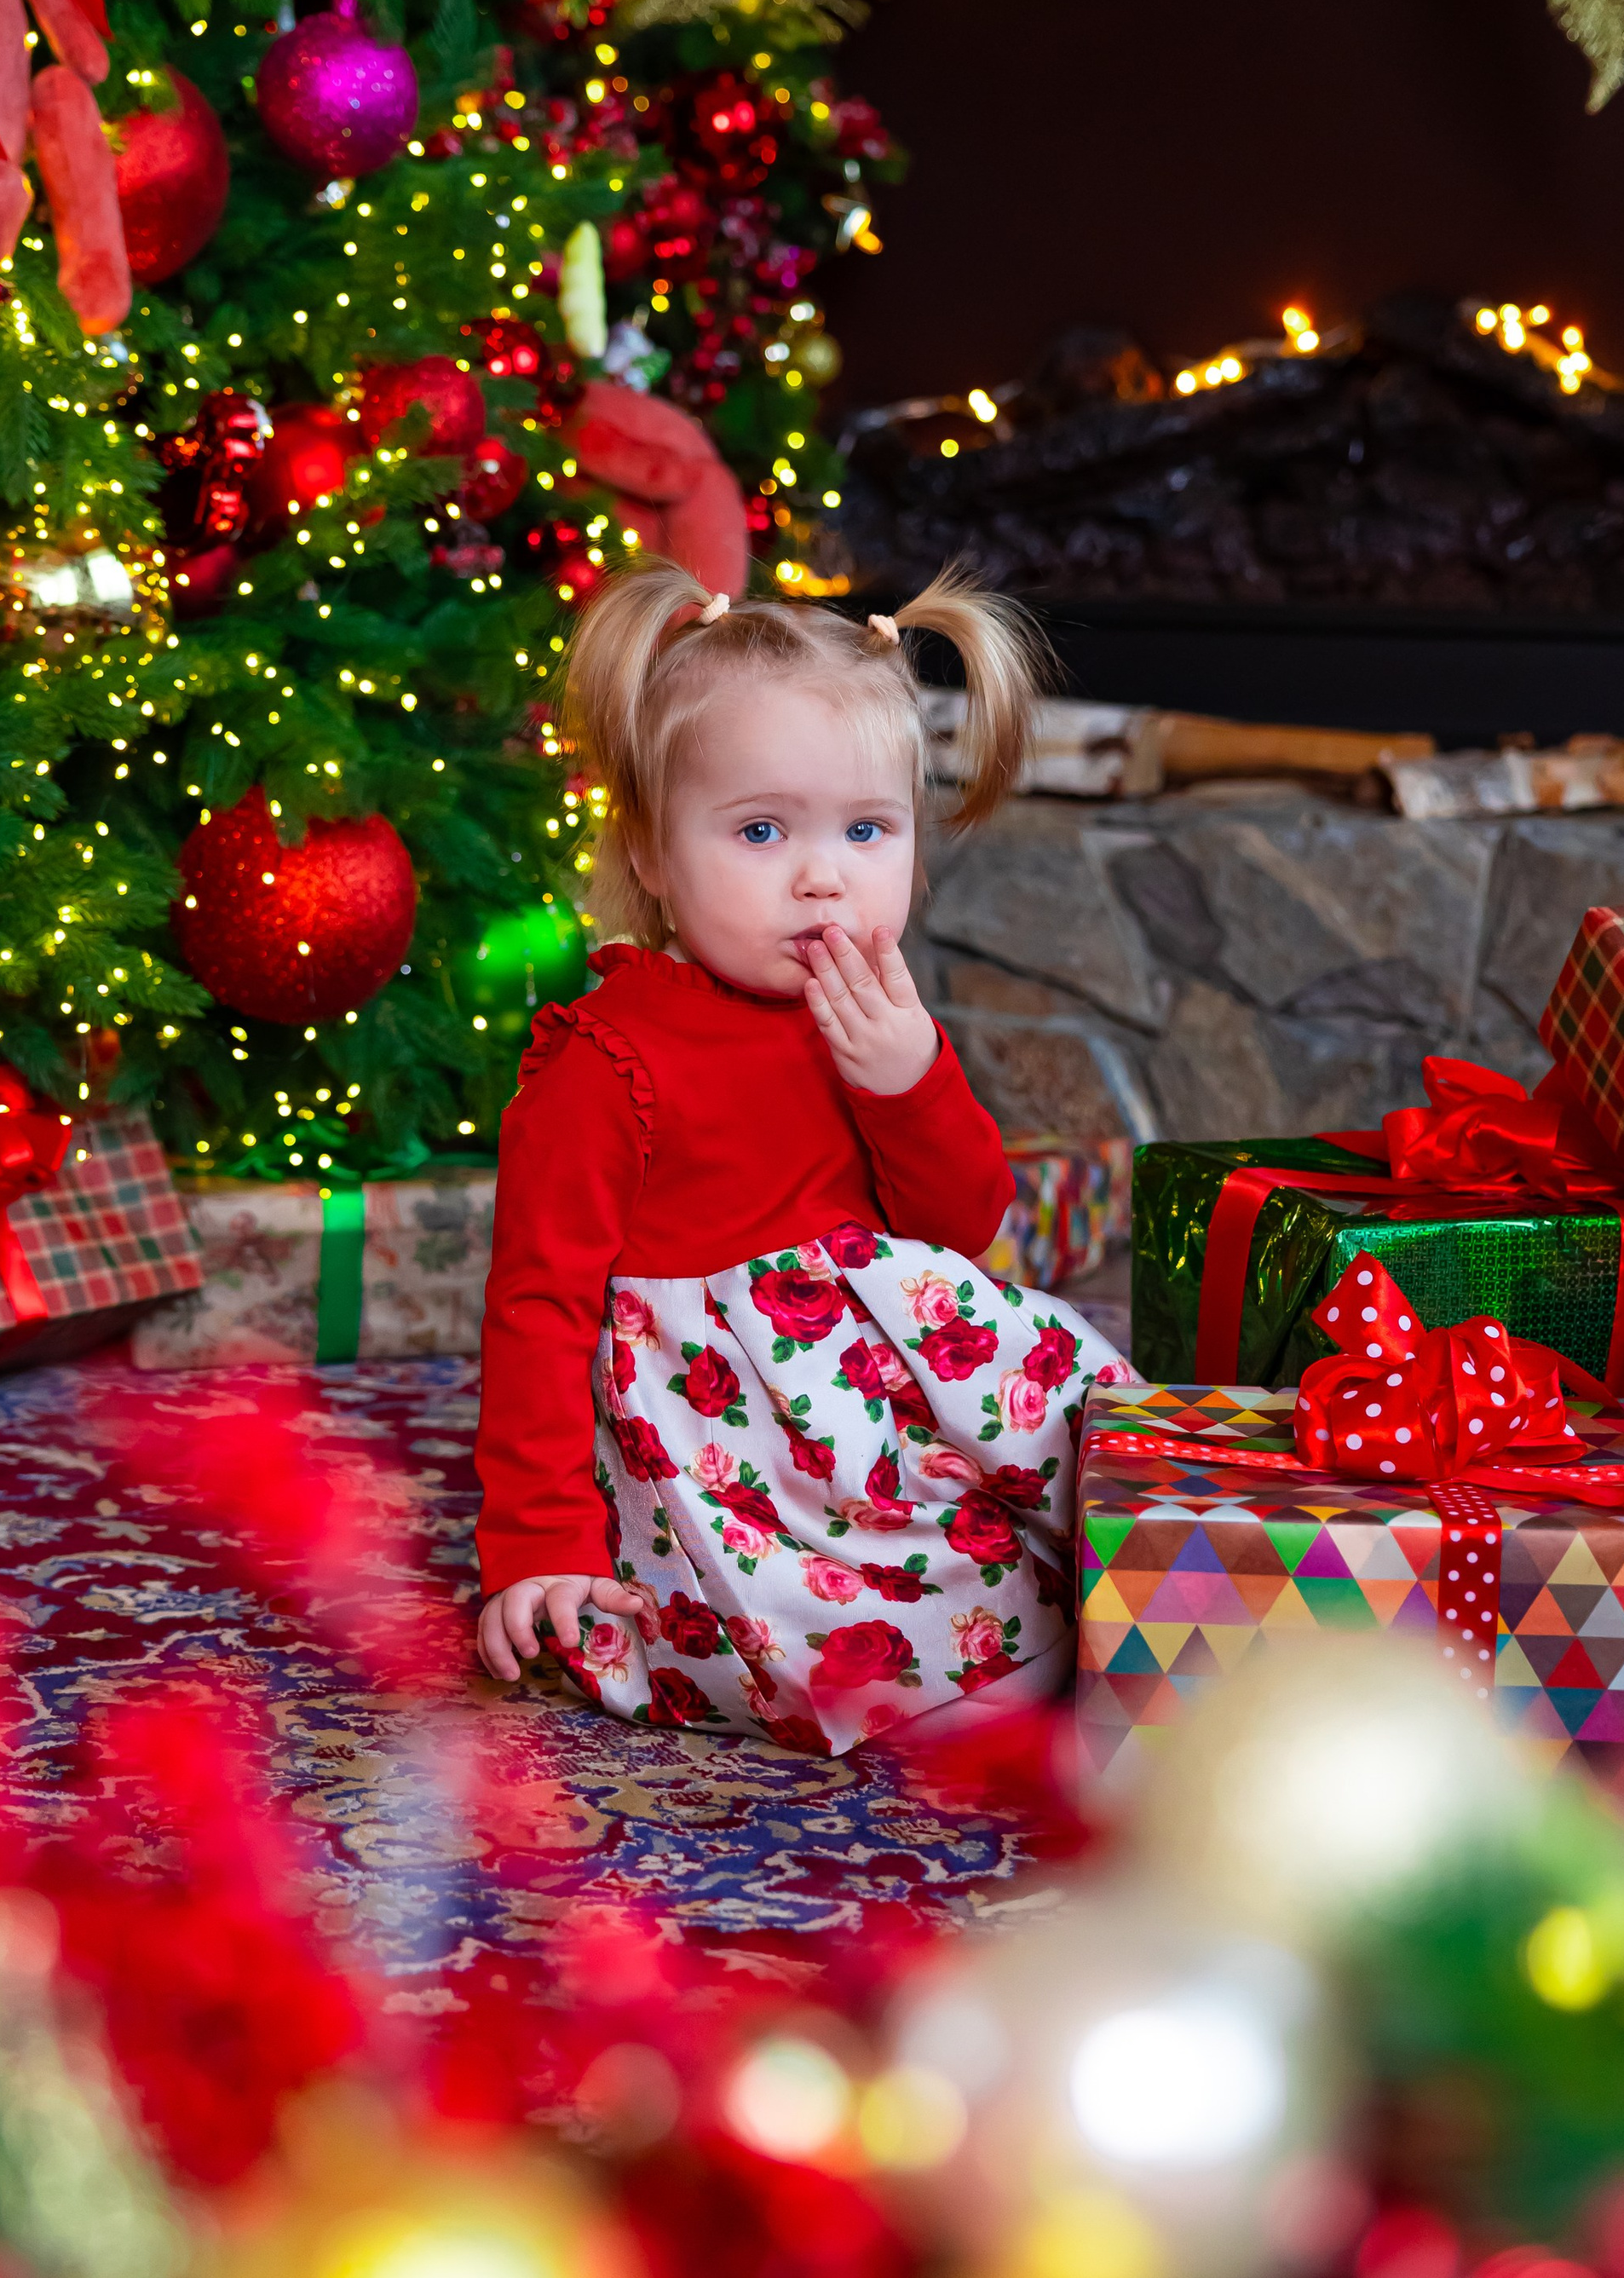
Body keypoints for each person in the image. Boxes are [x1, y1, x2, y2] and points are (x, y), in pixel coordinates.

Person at [471, 562, 1134, 1753]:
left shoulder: (871, 1013)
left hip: (885, 1392)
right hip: (741, 1449)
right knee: (839, 1622)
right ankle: (925, 1666)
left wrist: (909, 1079)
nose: (822, 874)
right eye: (762, 830)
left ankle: (1114, 1577)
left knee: (1076, 1469)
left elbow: (964, 1222)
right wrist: (535, 1547)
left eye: (867, 830)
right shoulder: (604, 1064)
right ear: (653, 855)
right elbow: (536, 1309)